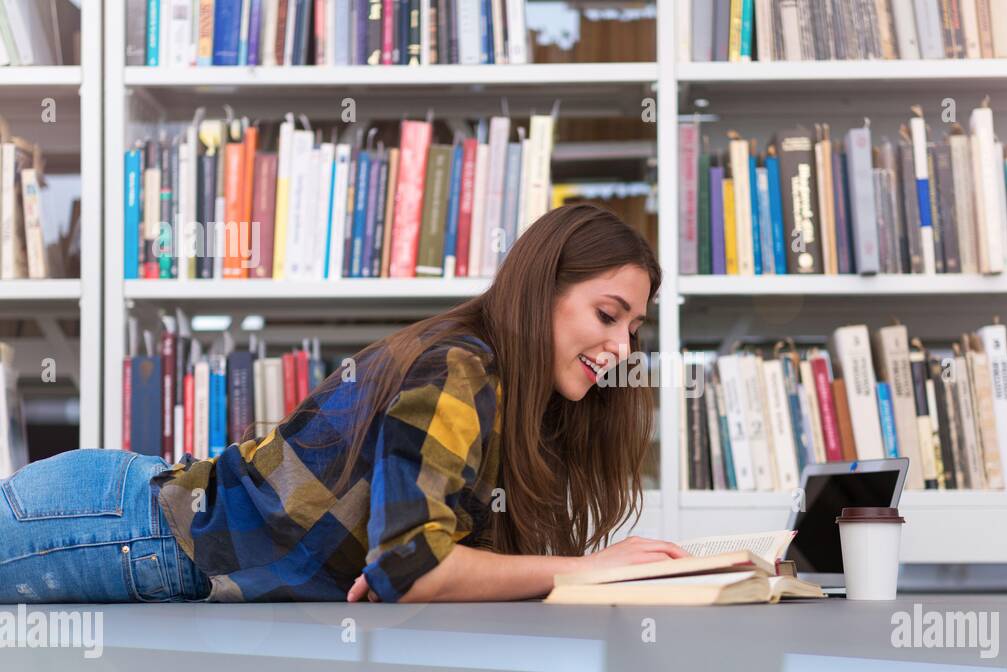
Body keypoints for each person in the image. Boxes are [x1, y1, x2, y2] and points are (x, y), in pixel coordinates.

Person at [0, 203, 688, 604]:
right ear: (543, 288)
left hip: (143, 534)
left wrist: (404, 570)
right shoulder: (461, 367)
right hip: (121, 522)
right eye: (607, 314)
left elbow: (403, 567)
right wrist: (585, 569)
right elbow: (414, 568)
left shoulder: (511, 402)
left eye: (634, 327)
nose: (621, 346)